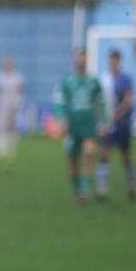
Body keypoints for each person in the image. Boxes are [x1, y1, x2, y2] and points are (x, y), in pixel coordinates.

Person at [51, 49, 105, 204]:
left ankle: (84, 191)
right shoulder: (67, 81)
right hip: (73, 125)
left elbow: (101, 102)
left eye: (84, 59)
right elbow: (59, 102)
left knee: (88, 155)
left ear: (87, 61)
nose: (81, 61)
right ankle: (77, 190)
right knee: (73, 161)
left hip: (88, 124)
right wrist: (60, 119)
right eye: (79, 59)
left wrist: (103, 121)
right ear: (75, 61)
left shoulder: (93, 81)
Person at [97, 49, 136, 201]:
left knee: (125, 155)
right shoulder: (104, 79)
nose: (113, 63)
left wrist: (118, 113)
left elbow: (128, 99)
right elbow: (100, 101)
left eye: (116, 61)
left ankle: (132, 185)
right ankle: (102, 187)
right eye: (111, 61)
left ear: (120, 62)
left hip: (122, 123)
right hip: (108, 122)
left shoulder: (126, 79)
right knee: (105, 153)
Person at [0, 57, 25, 160]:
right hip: (2, 106)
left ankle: (12, 150)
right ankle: (0, 149)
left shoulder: (18, 77)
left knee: (13, 129)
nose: (8, 66)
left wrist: (19, 103)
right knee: (2, 128)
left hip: (14, 106)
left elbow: (21, 91)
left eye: (10, 64)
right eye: (6, 64)